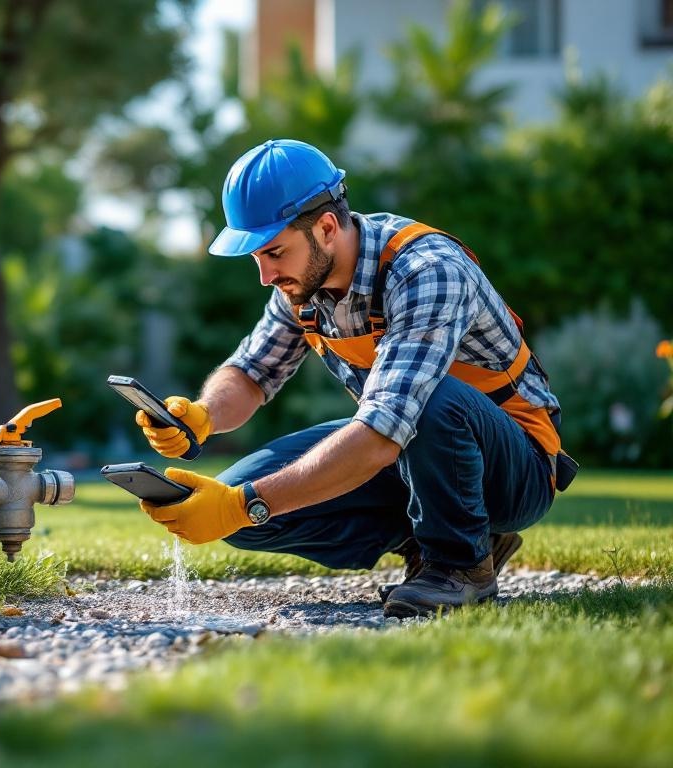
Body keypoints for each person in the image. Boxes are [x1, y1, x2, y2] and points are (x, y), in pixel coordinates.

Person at [135, 139, 576, 618]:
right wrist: (202, 416)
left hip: (516, 468)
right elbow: (251, 371)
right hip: (407, 453)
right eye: (256, 256)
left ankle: (461, 566)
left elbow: (383, 431)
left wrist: (244, 504)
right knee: (242, 499)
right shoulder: (300, 284)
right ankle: (447, 540)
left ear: (326, 228)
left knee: (425, 401)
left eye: (274, 252)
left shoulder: (427, 271)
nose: (265, 275)